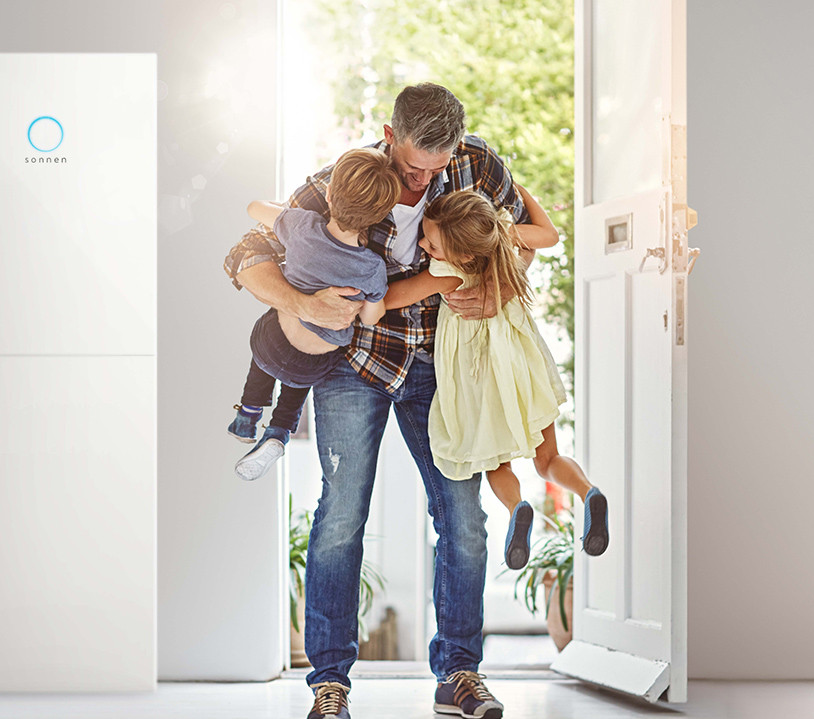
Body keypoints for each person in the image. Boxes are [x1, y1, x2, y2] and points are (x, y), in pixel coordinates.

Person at [224, 83, 545, 719]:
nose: (421, 181)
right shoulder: (342, 184)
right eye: (411, 166)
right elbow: (243, 255)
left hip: (442, 362)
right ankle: (330, 682)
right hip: (355, 362)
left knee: (463, 515)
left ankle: (459, 674)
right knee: (341, 515)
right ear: (389, 137)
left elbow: (516, 243)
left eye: (435, 168)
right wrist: (303, 303)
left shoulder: (477, 166)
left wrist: (502, 290)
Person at [383, 188, 609, 571]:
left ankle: (516, 507)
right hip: (524, 368)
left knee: (496, 464)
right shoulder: (503, 237)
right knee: (548, 458)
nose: (422, 244)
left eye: (432, 244)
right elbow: (550, 235)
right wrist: (523, 193)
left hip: (481, 379)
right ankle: (589, 493)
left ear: (463, 255)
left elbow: (392, 297)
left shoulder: (448, 273)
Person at [227, 148, 400, 481]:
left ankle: (247, 415)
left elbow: (253, 208)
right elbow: (370, 319)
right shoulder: (372, 268)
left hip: (271, 347)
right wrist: (368, 300)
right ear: (379, 217)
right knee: (305, 371)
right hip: (314, 366)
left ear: (330, 196)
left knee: (271, 330)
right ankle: (279, 430)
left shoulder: (302, 225)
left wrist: (283, 210)